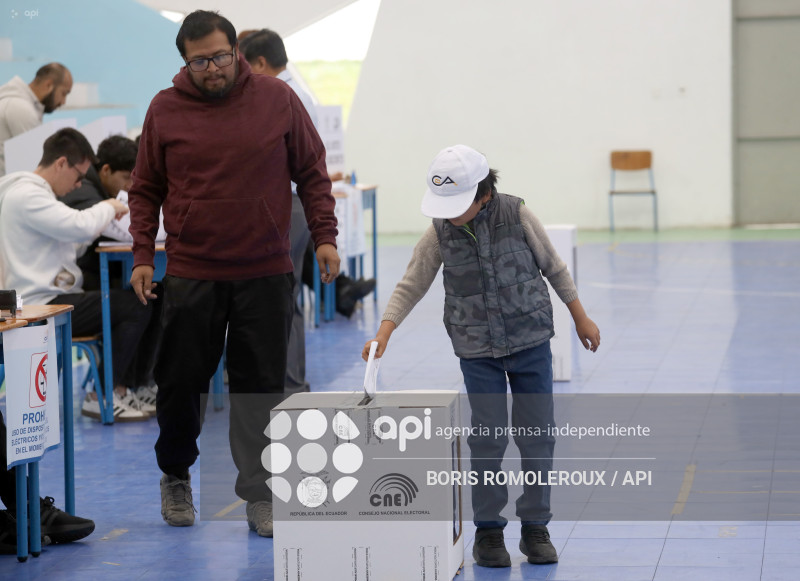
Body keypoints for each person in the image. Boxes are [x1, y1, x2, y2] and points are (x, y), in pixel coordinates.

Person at [127, 10, 339, 538]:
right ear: (185, 62)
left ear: (236, 51)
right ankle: (176, 475)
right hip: (193, 271)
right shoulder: (165, 108)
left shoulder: (277, 99)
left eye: (221, 56)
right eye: (200, 61)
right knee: (180, 383)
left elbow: (312, 172)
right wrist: (143, 254)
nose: (213, 68)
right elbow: (145, 188)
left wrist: (325, 236)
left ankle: (261, 493)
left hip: (264, 270)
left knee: (259, 389)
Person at [363, 145, 601, 568]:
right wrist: (384, 332)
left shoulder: (517, 215)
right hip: (477, 350)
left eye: (458, 206)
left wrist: (580, 316)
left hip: (530, 342)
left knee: (537, 435)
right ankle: (488, 532)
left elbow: (554, 266)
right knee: (488, 438)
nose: (451, 215)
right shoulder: (439, 231)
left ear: (484, 194)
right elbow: (412, 282)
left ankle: (535, 527)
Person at [0, 127, 152, 422]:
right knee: (135, 304)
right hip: (40, 304)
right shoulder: (28, 195)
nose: (79, 183)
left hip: (41, 298)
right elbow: (79, 226)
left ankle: (115, 388)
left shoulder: (29, 193)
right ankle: (104, 395)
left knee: (132, 301)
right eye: (79, 175)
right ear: (61, 163)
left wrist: (95, 226)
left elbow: (70, 241)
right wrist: (109, 207)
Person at [239, 28, 317, 395]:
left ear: (260, 63)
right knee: (287, 295)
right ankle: (290, 382)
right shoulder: (297, 91)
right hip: (293, 204)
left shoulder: (281, 96)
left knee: (281, 296)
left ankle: (287, 384)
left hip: (287, 204)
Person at [60, 134, 162, 411]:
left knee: (156, 293)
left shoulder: (98, 190)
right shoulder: (82, 193)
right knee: (139, 303)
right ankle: (107, 392)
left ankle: (137, 383)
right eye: (126, 179)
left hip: (94, 281)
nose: (130, 186)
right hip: (78, 285)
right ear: (105, 170)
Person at [0, 63, 73, 175]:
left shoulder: (16, 103)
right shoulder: (21, 108)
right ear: (48, 85)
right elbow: (37, 166)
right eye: (64, 93)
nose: (63, 102)